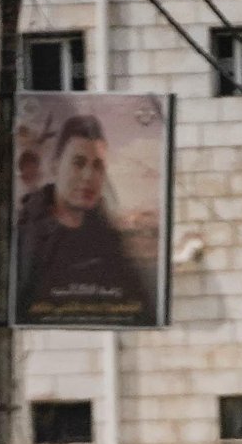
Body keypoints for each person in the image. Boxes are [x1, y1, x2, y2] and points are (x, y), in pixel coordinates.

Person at [14, 110, 156, 323]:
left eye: (97, 166)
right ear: (55, 166)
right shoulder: (25, 235)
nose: (89, 176)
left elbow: (141, 307)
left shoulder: (110, 241)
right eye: (78, 163)